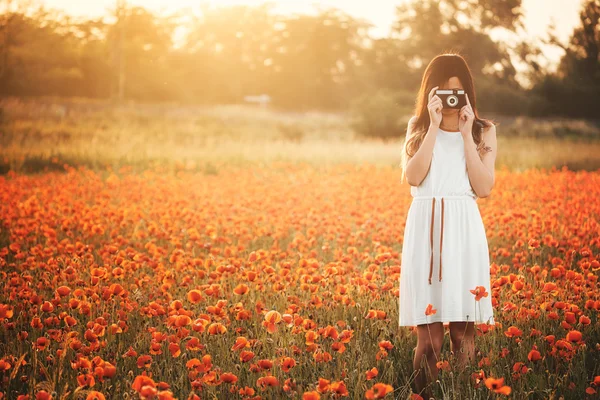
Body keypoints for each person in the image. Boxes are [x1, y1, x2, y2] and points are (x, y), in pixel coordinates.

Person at [398, 52, 497, 398]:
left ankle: (460, 395)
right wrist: (435, 125)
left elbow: (483, 188)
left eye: (457, 93)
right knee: (430, 338)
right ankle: (423, 395)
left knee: (462, 332)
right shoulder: (419, 128)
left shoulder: (484, 131)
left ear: (467, 92)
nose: (451, 101)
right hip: (425, 228)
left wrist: (468, 133)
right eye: (443, 94)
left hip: (464, 230)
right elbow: (412, 177)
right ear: (431, 94)